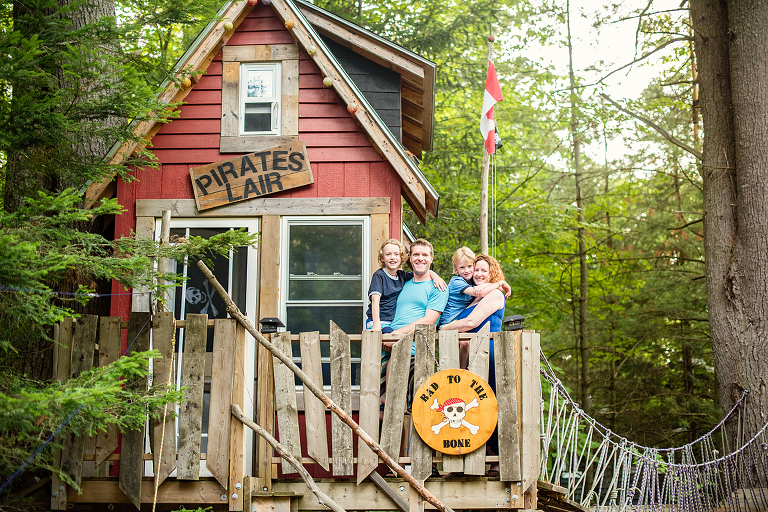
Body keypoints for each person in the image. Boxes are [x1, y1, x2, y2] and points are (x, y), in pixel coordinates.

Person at [441, 253, 507, 468]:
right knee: (469, 407)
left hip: (487, 353)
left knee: (489, 403)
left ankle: (497, 458)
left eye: (483, 271)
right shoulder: (474, 297)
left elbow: (470, 322)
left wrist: (442, 328)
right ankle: (470, 460)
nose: (478, 274)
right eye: (476, 270)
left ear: (492, 273)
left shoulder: (496, 295)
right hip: (470, 355)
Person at [366, 239, 445, 332]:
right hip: (379, 323)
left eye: (396, 254)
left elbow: (422, 272)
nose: (392, 257)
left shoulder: (402, 276)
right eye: (388, 254)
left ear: (402, 258)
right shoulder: (380, 275)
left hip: (395, 329)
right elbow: (375, 299)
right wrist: (376, 324)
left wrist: (435, 276)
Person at [438, 247, 510, 328]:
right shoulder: (457, 282)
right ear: (456, 269)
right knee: (463, 341)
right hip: (447, 322)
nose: (467, 270)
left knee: (464, 341)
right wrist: (500, 283)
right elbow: (481, 292)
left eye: (470, 266)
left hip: (481, 337)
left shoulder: (494, 293)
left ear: (491, 273)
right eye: (477, 270)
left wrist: (493, 284)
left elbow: (496, 290)